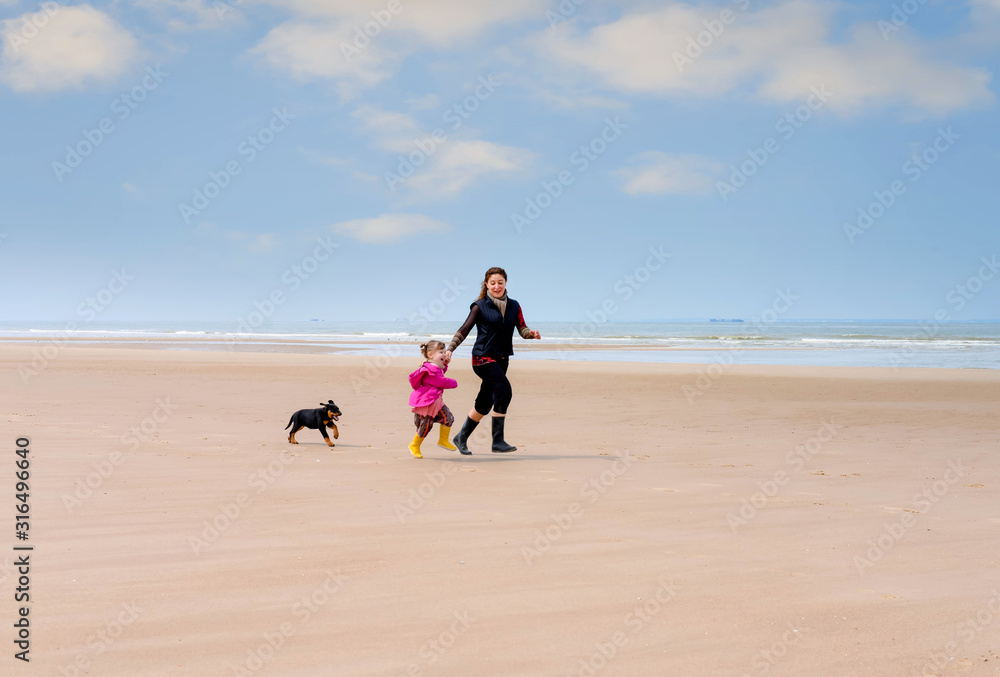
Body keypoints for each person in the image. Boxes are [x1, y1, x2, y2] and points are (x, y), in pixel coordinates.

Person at [444, 266, 541, 454]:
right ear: (487, 285)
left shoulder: (514, 305)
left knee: (485, 402)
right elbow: (464, 329)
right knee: (504, 390)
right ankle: (498, 441)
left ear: (505, 283)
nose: (497, 286)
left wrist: (531, 333)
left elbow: (522, 328)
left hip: (502, 359)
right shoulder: (479, 306)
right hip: (482, 358)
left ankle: (461, 437)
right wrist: (450, 349)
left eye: (500, 283)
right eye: (493, 283)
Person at [407, 340, 459, 459]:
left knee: (448, 418)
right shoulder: (432, 368)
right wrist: (454, 383)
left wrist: (445, 364)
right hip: (428, 403)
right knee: (425, 426)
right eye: (441, 352)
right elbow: (440, 381)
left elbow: (439, 375)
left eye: (445, 351)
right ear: (430, 354)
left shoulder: (434, 366)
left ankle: (443, 440)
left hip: (435, 401)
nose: (444, 354)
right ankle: (414, 444)